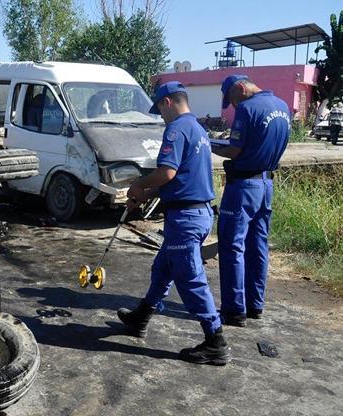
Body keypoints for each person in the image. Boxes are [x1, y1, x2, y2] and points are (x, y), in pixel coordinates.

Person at [118, 81, 229, 365]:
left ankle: (215, 341)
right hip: (196, 212)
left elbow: (167, 172)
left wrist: (138, 185)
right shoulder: (199, 130)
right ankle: (140, 318)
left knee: (190, 278)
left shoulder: (177, 129)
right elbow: (181, 178)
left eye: (160, 110)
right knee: (163, 267)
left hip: (186, 219)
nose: (161, 116)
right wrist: (147, 195)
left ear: (167, 102)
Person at [212, 75, 290, 327]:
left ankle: (234, 310)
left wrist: (210, 145)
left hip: (244, 186)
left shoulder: (247, 108)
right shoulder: (282, 106)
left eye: (232, 100)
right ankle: (255, 304)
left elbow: (234, 150)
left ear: (241, 89)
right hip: (267, 183)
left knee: (232, 245)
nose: (233, 106)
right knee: (258, 245)